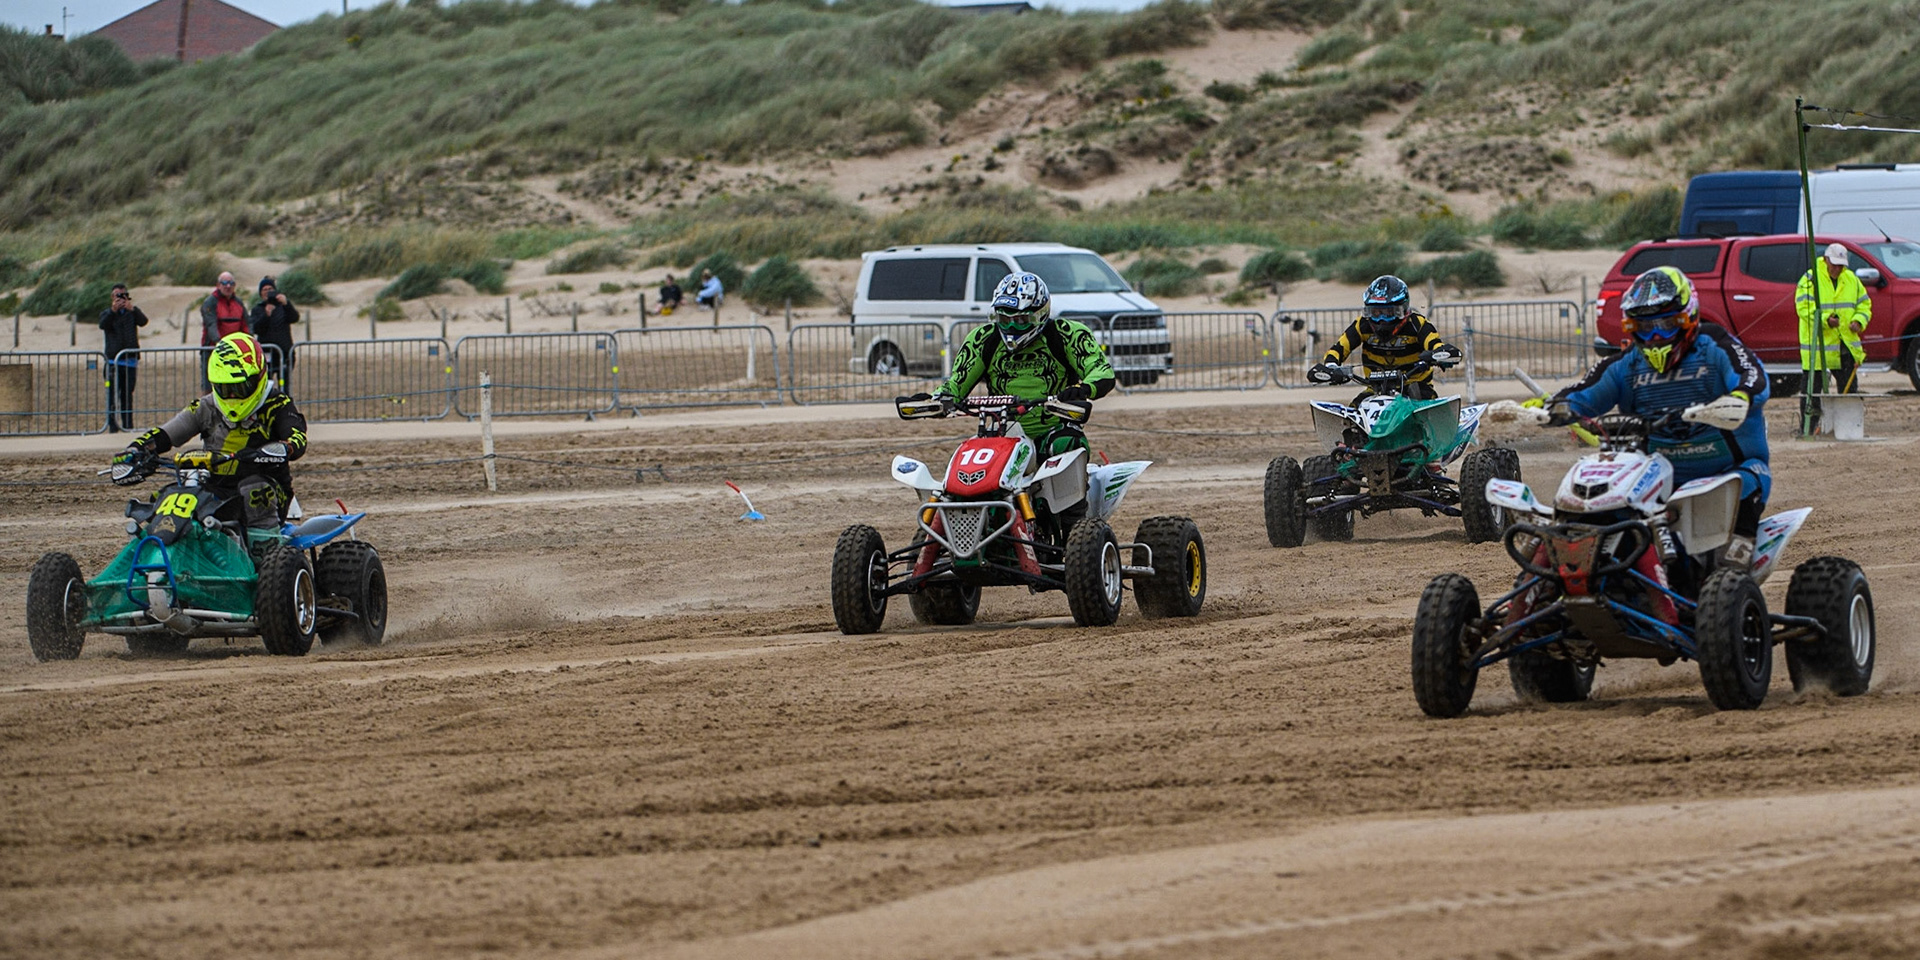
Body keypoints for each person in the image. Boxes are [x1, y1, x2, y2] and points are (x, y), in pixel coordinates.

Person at [1546, 265, 1772, 556]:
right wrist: (1548, 408)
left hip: (1725, 474)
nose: (1654, 337)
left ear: (1687, 317)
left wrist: (1741, 396)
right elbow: (1586, 392)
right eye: (1644, 328)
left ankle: (1734, 579)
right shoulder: (1628, 363)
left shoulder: (1714, 344)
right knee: (1597, 512)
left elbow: (1752, 375)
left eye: (1665, 326)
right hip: (1650, 478)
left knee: (1737, 521)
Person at [906, 272, 1117, 532]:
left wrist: (1081, 389)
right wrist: (937, 399)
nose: (1012, 327)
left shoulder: (1068, 334)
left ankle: (1076, 533)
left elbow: (1102, 371)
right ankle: (949, 532)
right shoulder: (983, 339)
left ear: (1040, 313)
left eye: (1020, 320)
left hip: (1054, 428)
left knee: (1067, 444)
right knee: (967, 459)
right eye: (1004, 319)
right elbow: (956, 383)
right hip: (1002, 433)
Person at [113, 332, 309, 559]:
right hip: (216, 489)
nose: (233, 394)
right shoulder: (206, 406)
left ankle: (266, 562)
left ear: (259, 377)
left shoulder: (278, 404)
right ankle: (156, 560)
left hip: (271, 489)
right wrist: (137, 450)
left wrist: (285, 447)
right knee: (169, 495)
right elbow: (166, 434)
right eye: (226, 388)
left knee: (255, 490)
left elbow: (297, 437)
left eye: (240, 387)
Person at [1312, 275, 1461, 401]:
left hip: (1416, 387)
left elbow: (1435, 345)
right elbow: (1338, 349)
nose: (1382, 319)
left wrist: (1441, 354)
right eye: (1375, 312)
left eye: (1389, 312)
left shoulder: (1418, 324)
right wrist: (1331, 367)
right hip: (1375, 389)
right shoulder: (1362, 325)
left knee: (1429, 409)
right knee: (1352, 414)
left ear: (1403, 309)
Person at [1796, 241, 1871, 395]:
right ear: (1825, 260)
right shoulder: (1810, 279)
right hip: (1818, 349)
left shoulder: (1851, 279)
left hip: (1845, 346)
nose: (1837, 269)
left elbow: (1864, 304)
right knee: (1812, 394)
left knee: (1849, 393)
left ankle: (1847, 420)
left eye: (1841, 265)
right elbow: (1803, 308)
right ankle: (1810, 420)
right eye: (1835, 264)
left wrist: (1859, 320)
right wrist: (1825, 320)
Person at [98, 284, 148, 433]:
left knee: (127, 396)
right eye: (117, 296)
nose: (120, 298)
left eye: (123, 295)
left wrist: (132, 309)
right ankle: (112, 427)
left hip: (130, 362)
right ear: (112, 298)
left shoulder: (132, 312)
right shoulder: (107, 313)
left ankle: (128, 426)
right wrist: (113, 311)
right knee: (112, 396)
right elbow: (102, 325)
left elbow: (143, 321)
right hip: (113, 362)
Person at [200, 272, 249, 391]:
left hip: (235, 352)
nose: (228, 286)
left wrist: (249, 341)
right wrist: (219, 343)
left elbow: (246, 324)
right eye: (225, 283)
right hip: (213, 350)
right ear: (218, 285)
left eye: (231, 283)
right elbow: (211, 324)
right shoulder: (209, 303)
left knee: (234, 386)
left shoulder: (238, 303)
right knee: (210, 387)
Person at [247, 275, 299, 386]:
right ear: (260, 293)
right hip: (266, 352)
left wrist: (287, 304)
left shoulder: (283, 307)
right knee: (266, 383)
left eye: (270, 289)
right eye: (264, 290)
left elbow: (294, 318)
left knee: (284, 384)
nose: (267, 292)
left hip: (284, 351)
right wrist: (266, 315)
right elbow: (256, 328)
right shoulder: (257, 309)